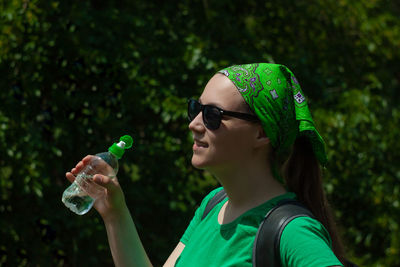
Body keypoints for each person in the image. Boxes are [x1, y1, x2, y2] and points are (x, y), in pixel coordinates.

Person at [66, 63, 346, 267]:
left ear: (261, 133)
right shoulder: (213, 205)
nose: (194, 124)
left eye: (213, 115)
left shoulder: (292, 231)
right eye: (195, 109)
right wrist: (115, 214)